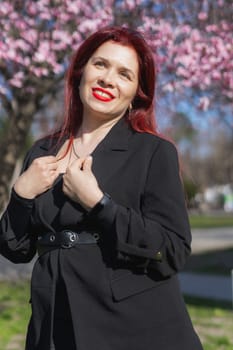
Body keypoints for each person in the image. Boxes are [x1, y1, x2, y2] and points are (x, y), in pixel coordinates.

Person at [0, 26, 203, 350]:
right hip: (53, 324)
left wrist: (99, 203)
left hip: (131, 328)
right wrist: (21, 195)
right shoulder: (41, 152)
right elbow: (15, 250)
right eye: (100, 64)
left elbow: (173, 251)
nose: (108, 78)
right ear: (81, 71)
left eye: (124, 74)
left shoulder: (153, 152)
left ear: (138, 91)